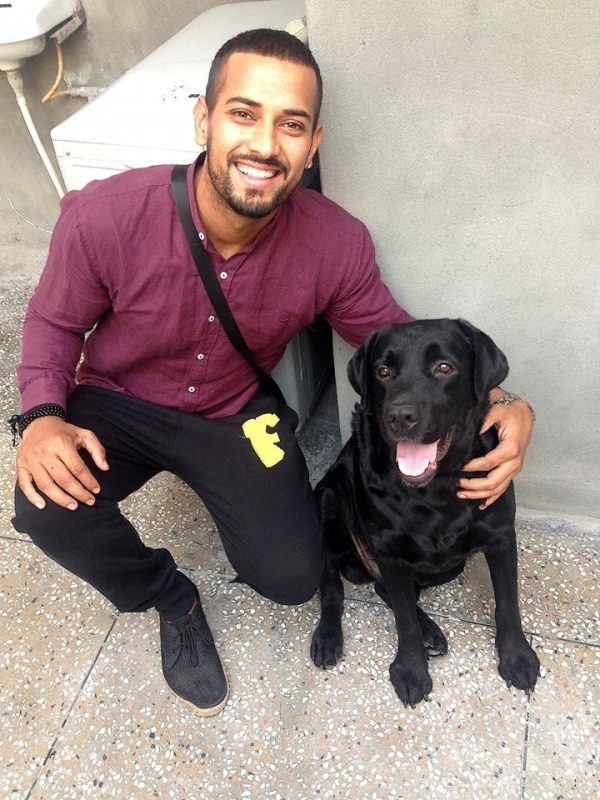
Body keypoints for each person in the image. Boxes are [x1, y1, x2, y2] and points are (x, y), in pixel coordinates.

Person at [9, 29, 534, 717]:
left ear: (313, 144)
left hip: (234, 412)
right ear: (205, 118)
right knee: (45, 507)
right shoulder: (104, 215)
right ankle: (172, 596)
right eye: (243, 113)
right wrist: (42, 416)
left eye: (290, 125)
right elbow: (53, 325)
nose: (264, 144)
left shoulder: (335, 242)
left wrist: (507, 402)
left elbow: (400, 342)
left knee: (292, 575)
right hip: (117, 402)